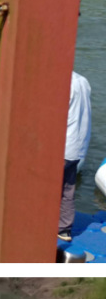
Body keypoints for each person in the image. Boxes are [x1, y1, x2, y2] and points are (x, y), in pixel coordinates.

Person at [58, 70, 92, 242]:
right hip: (78, 145)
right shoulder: (83, 81)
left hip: (62, 145)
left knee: (46, 187)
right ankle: (64, 229)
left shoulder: (61, 83)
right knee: (68, 188)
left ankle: (41, 223)